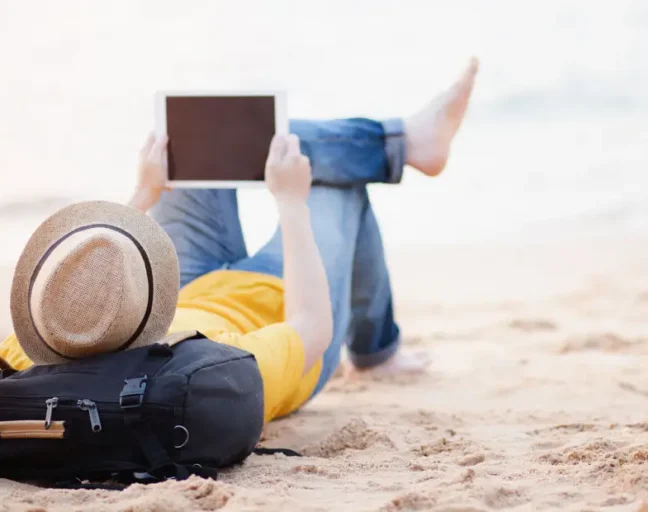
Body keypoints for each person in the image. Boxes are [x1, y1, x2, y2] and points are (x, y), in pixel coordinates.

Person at [0, 58, 479, 423]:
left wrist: (144, 194)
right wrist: (290, 203)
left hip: (174, 290)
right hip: (284, 298)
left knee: (182, 145)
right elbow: (311, 329)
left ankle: (403, 144)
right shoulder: (214, 365)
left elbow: (102, 276)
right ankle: (376, 350)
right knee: (338, 183)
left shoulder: (45, 344)